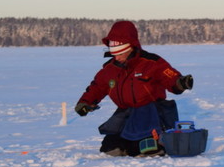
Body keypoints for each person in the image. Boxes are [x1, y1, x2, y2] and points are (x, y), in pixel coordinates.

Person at [75, 21, 194, 156]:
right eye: (114, 54)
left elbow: (169, 76)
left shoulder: (151, 62)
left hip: (151, 113)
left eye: (120, 53)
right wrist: (84, 103)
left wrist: (180, 82)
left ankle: (158, 142)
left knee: (141, 148)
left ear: (131, 47)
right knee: (109, 149)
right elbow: (97, 87)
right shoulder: (109, 69)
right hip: (125, 115)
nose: (117, 57)